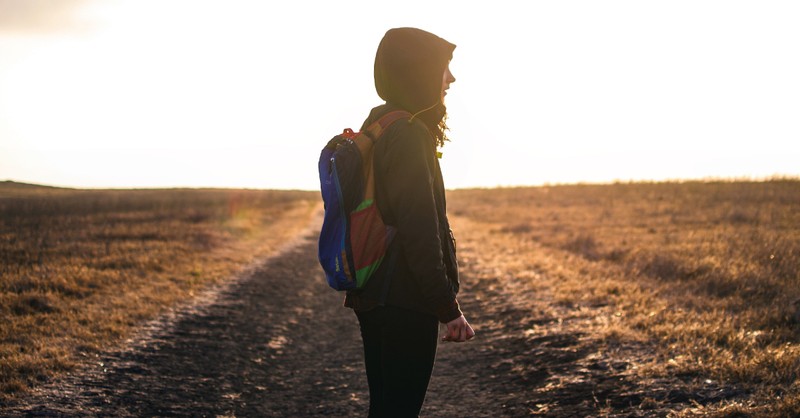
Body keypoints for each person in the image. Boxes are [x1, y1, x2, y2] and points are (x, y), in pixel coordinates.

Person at [344, 27, 475, 417]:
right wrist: (446, 307)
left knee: (385, 409)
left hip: (375, 292)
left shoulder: (379, 125)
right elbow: (421, 229)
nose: (450, 78)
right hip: (403, 298)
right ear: (418, 70)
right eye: (443, 68)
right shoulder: (408, 135)